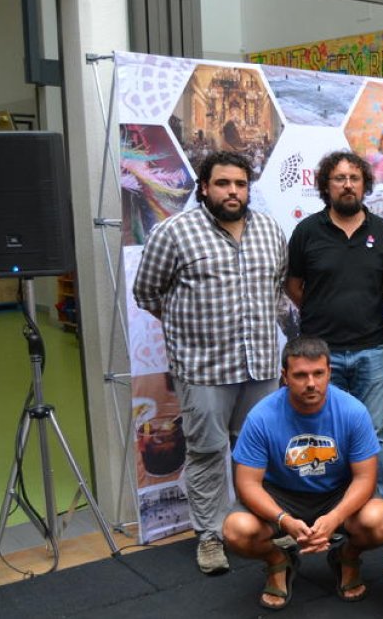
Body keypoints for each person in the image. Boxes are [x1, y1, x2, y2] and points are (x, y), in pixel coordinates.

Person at [133, 150, 287, 575]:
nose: (233, 191)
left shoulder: (271, 231)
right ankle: (210, 535)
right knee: (205, 451)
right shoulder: (174, 233)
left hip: (259, 366)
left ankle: (250, 523)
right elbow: (147, 293)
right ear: (204, 187)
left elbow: (276, 285)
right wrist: (189, 330)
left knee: (256, 452)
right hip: (203, 369)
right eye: (223, 183)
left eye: (240, 183)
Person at [223, 336, 383, 610]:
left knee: (380, 521)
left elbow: (365, 478)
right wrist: (284, 520)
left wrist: (335, 517)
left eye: (318, 373)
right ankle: (278, 560)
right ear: (285, 376)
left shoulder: (353, 411)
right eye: (301, 375)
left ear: (330, 373)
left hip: (336, 494)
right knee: (236, 531)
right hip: (281, 495)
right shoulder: (261, 416)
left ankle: (346, 557)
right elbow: (247, 484)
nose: (311, 383)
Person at [285, 150, 383, 493]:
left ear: (364, 185)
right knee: (324, 435)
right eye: (339, 179)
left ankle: (382, 506)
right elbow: (294, 286)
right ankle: (329, 506)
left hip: (371, 350)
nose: (347, 185)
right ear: (326, 185)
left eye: (354, 179)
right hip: (321, 356)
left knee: (374, 431)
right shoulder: (307, 231)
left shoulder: (381, 230)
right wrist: (325, 309)